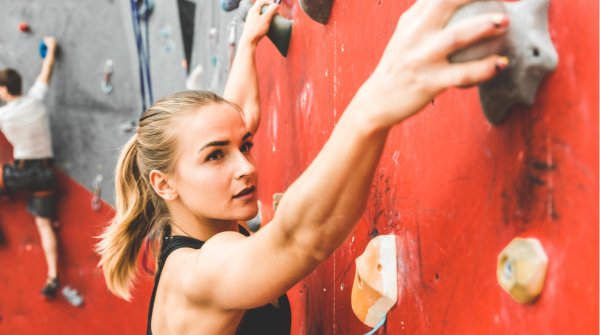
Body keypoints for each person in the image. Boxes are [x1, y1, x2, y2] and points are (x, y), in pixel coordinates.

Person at [97, 0, 510, 333]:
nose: (245, 167)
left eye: (246, 146)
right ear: (164, 184)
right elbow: (299, 239)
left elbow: (237, 113)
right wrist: (378, 99)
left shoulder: (189, 221)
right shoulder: (199, 272)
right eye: (216, 156)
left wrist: (247, 45)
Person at [0, 37, 61, 298]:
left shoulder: (3, 115)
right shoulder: (37, 98)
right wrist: (52, 47)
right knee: (44, 224)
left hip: (23, 173)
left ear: (3, 89)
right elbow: (46, 71)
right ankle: (53, 276)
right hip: (47, 175)